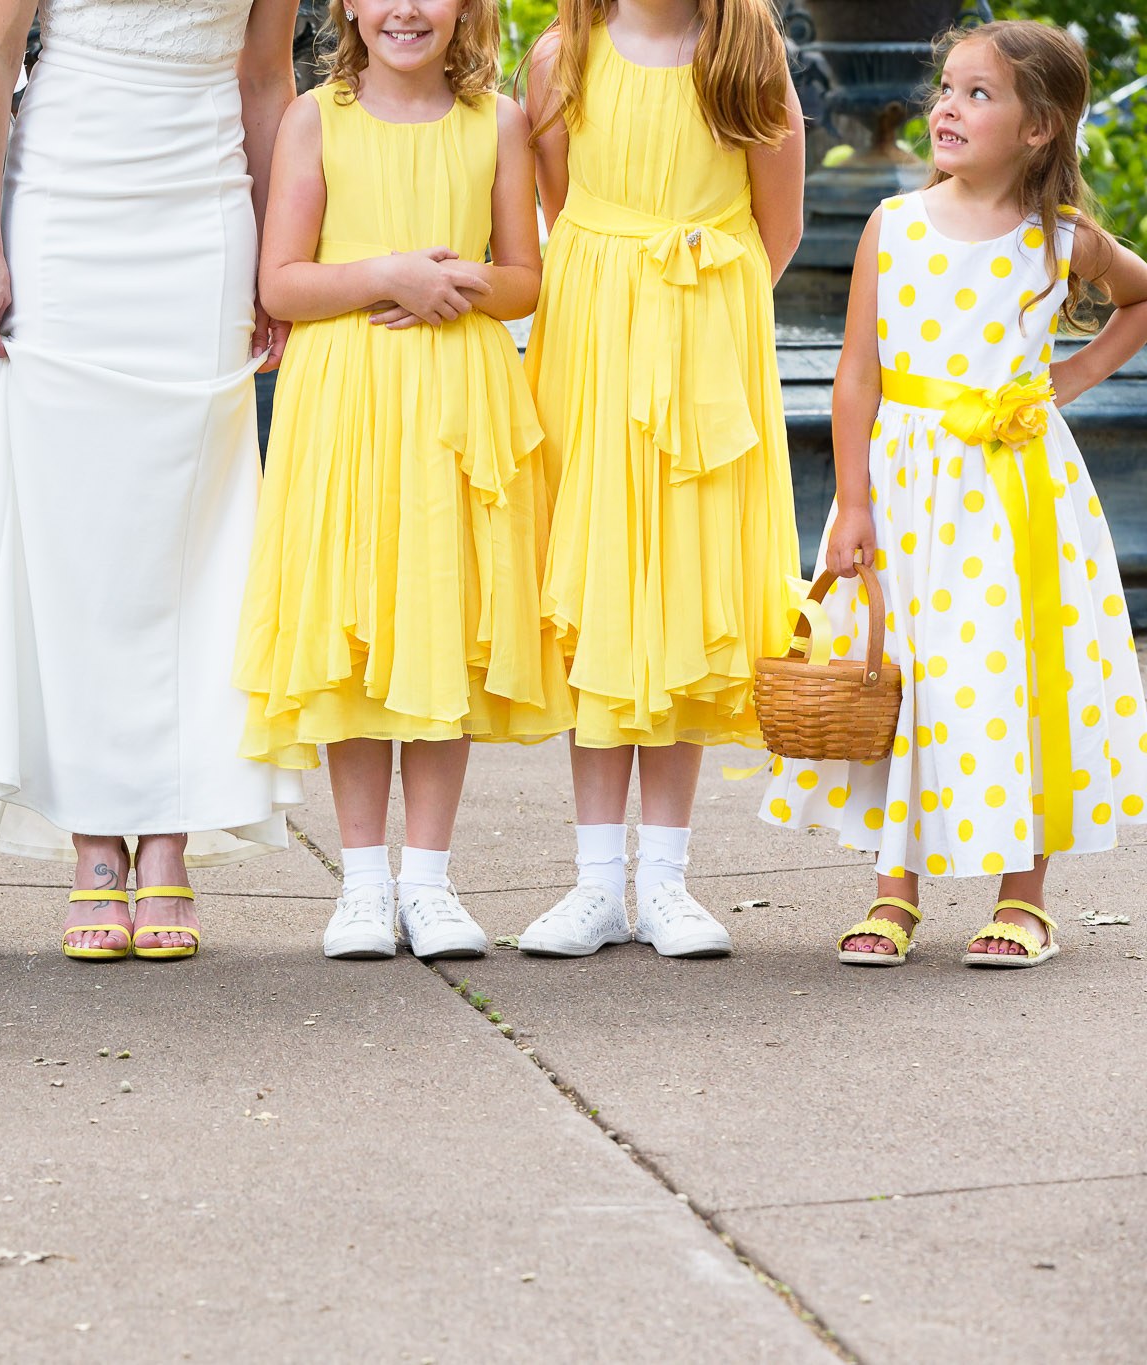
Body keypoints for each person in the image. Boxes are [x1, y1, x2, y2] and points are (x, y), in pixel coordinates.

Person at [0, 0, 307, 963]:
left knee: (192, 522)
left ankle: (170, 828)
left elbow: (265, 76)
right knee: (72, 527)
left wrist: (278, 252)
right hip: (68, 205)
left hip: (205, 207)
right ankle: (93, 838)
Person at [762, 20, 1147, 970]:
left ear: (1038, 129)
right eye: (946, 88)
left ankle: (1025, 896)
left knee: (1019, 675)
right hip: (904, 494)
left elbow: (1139, 299)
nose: (946, 106)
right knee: (912, 676)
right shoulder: (893, 228)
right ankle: (895, 891)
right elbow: (858, 375)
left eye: (979, 94)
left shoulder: (1059, 241)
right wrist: (850, 505)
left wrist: (1065, 381)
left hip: (1019, 496)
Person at [236, 0, 572, 962]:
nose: (406, 10)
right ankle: (362, 883)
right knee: (358, 620)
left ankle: (428, 881)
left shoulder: (497, 121)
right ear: (348, 6)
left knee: (439, 625)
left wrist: (451, 284)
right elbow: (283, 284)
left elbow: (523, 278)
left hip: (459, 402)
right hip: (346, 401)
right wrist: (390, 274)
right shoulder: (316, 118)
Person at [516, 0, 803, 960]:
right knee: (604, 591)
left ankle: (668, 880)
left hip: (705, 340)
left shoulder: (748, 52)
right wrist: (625, 296)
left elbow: (779, 223)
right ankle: (598, 881)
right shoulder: (562, 55)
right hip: (592, 343)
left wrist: (696, 318)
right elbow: (560, 208)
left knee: (681, 590)